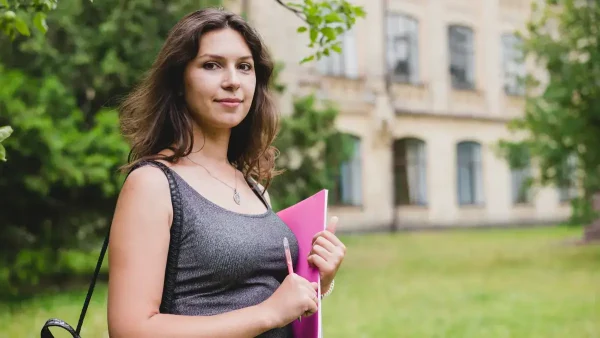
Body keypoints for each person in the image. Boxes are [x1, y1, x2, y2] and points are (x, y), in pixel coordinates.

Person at [107, 7, 347, 338]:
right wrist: (267, 313)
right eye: (211, 65)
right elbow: (131, 330)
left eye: (244, 67)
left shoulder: (254, 188)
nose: (232, 81)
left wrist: (320, 279)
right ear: (180, 81)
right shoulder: (153, 183)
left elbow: (277, 300)